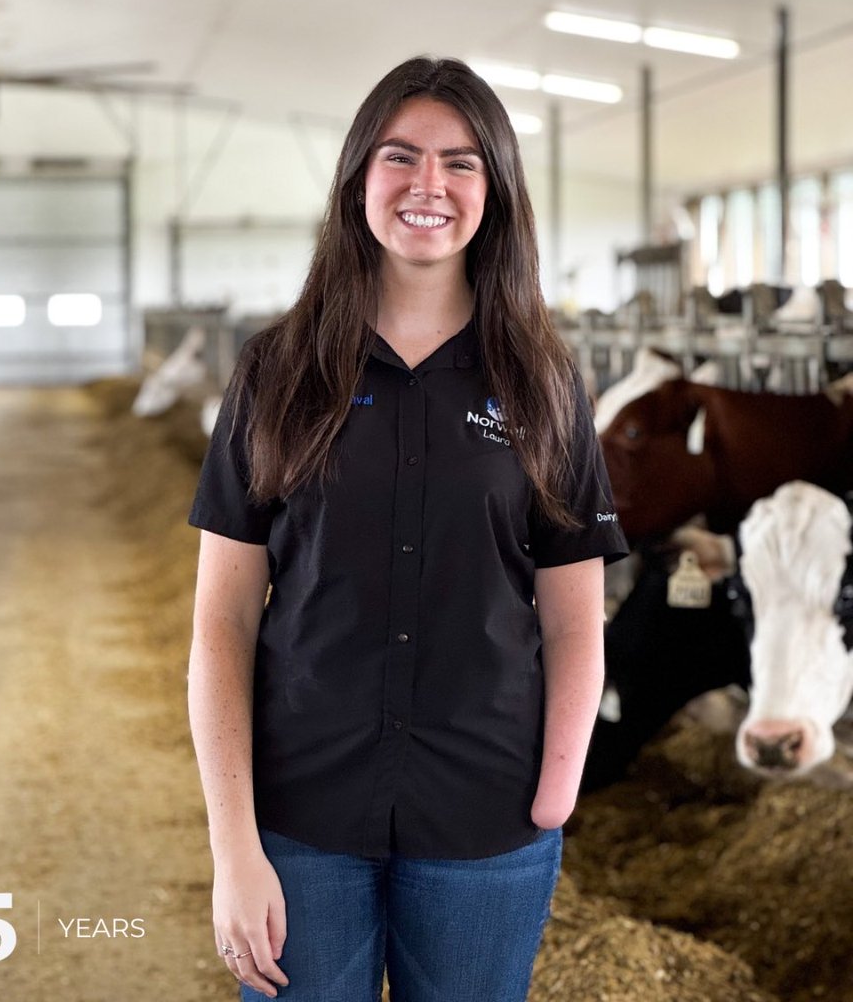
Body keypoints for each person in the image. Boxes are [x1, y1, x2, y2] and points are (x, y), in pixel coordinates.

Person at [186, 55, 629, 1001]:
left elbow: (573, 615)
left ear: (494, 191)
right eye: (401, 156)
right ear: (359, 179)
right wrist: (234, 847)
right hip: (301, 817)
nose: (429, 184)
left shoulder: (545, 383)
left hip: (487, 819)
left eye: (461, 162)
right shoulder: (277, 371)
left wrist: (555, 792)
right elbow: (222, 620)